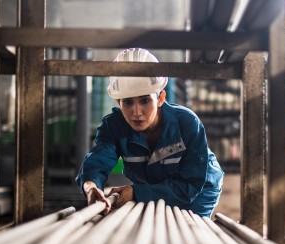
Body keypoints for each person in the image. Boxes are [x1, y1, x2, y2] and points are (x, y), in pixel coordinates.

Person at [76, 48, 224, 217]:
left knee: (186, 231)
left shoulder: (187, 123)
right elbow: (97, 161)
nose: (136, 112)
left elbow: (189, 187)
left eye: (145, 100)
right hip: (153, 185)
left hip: (199, 190)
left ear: (160, 98)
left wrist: (137, 192)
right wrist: (91, 187)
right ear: (118, 102)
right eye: (128, 102)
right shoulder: (114, 126)